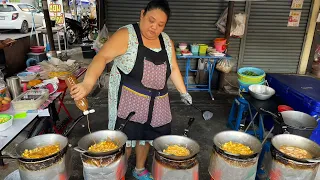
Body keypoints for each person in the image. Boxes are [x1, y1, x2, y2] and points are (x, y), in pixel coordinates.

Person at [70, 0, 192, 179]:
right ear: (142, 14)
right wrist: (88, 83)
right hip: (128, 99)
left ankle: (139, 169)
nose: (154, 27)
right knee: (125, 139)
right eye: (151, 20)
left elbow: (173, 68)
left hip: (157, 102)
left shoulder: (166, 41)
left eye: (160, 24)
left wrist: (183, 92)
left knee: (147, 136)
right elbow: (102, 57)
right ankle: (118, 172)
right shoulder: (126, 35)